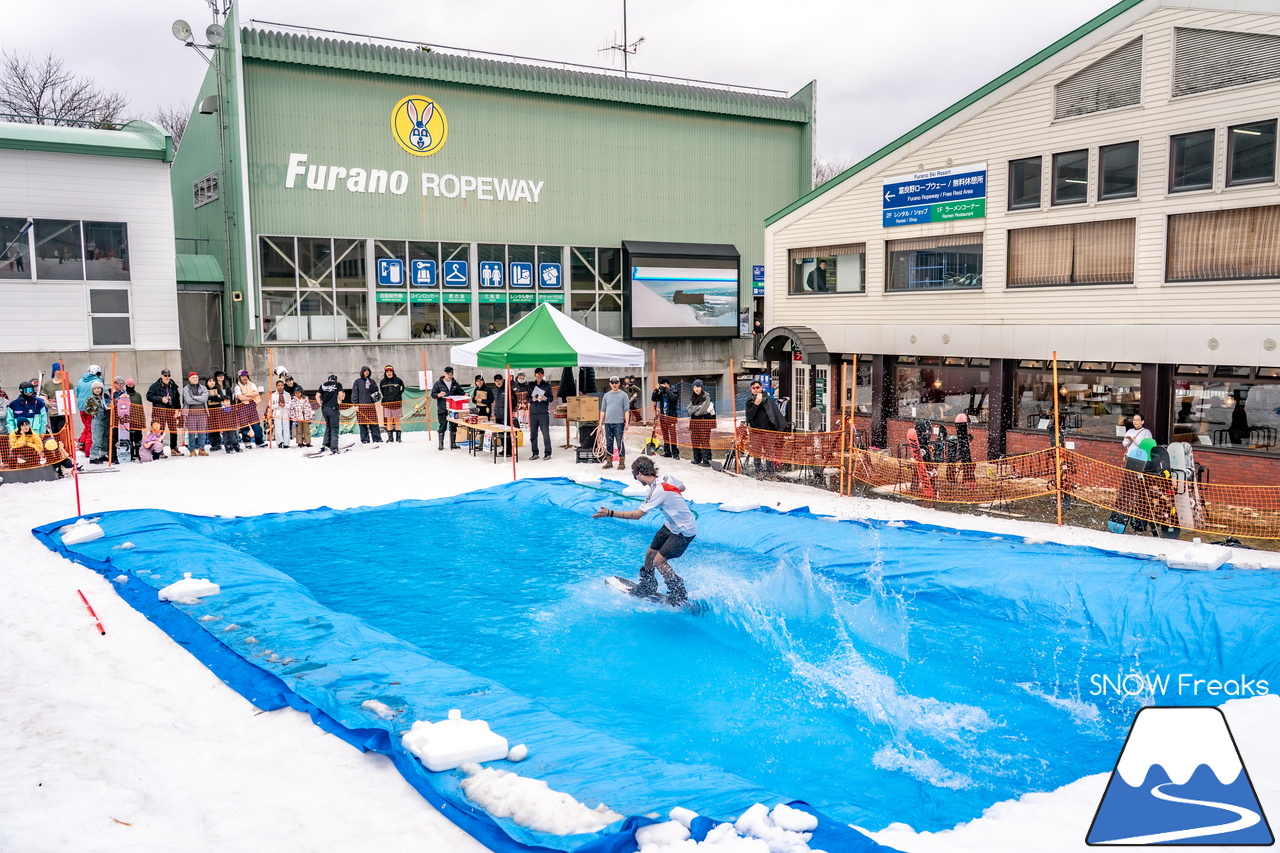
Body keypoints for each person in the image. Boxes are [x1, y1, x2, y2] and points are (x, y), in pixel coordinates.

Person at [592, 456, 694, 605]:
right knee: (650, 554)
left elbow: (637, 515)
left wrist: (610, 513)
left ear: (639, 474)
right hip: (671, 524)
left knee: (659, 561)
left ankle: (679, 592)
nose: (636, 479)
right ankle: (648, 585)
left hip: (684, 529)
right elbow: (682, 488)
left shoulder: (658, 490)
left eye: (635, 476)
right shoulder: (666, 478)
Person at [744, 380, 784, 476]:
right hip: (756, 431)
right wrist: (756, 405)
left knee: (769, 453)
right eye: (754, 388)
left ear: (761, 388)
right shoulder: (749, 401)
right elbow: (749, 417)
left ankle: (771, 473)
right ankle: (758, 471)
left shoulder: (768, 399)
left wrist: (777, 428)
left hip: (768, 431)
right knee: (756, 452)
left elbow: (774, 414)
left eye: (758, 387)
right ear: (751, 389)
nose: (756, 390)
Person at [146, 369, 181, 455]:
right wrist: (161, 399)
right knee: (159, 431)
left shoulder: (173, 386)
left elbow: (177, 399)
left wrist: (177, 410)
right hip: (159, 411)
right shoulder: (155, 386)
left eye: (169, 375)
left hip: (171, 410)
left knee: (173, 430)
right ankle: (159, 450)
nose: (167, 377)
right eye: (165, 375)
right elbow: (149, 396)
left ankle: (173, 448)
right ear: (161, 376)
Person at [599, 375, 629, 469]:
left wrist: (627, 422)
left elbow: (626, 410)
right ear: (610, 384)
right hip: (608, 422)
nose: (614, 384)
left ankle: (622, 462)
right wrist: (600, 423)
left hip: (619, 423)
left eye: (616, 382)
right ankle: (609, 461)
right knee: (609, 442)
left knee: (620, 442)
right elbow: (603, 410)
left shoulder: (624, 395)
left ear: (619, 383)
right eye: (612, 382)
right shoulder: (606, 395)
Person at [432, 366, 463, 451]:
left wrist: (465, 394)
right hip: (442, 408)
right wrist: (438, 395)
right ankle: (441, 444)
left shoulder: (455, 384)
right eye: (448, 374)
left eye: (451, 374)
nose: (450, 376)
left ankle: (453, 443)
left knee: (453, 425)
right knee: (442, 425)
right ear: (444, 374)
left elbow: (461, 392)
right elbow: (433, 394)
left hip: (453, 408)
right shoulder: (438, 384)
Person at [350, 366, 383, 444]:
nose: (367, 372)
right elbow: (355, 393)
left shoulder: (372, 381)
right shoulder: (357, 382)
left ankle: (377, 438)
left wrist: (370, 386)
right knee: (362, 423)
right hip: (361, 406)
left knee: (374, 422)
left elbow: (376, 391)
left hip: (371, 406)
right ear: (362, 372)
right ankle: (365, 439)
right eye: (365, 371)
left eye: (368, 371)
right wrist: (355, 404)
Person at [74, 364, 102, 456]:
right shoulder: (98, 381)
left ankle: (82, 444)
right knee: (91, 429)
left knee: (87, 427)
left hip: (81, 407)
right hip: (92, 408)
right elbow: (102, 394)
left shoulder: (81, 380)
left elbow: (77, 393)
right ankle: (88, 451)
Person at [208, 376, 240, 453]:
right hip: (224, 426)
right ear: (223, 402)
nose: (227, 403)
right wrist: (221, 427)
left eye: (228, 401)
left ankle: (236, 446)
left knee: (233, 437)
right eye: (225, 401)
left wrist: (236, 424)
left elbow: (235, 417)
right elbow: (219, 418)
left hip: (231, 426)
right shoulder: (221, 410)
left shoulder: (232, 409)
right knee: (225, 438)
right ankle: (228, 447)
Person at [687, 379, 716, 466]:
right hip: (694, 423)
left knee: (704, 441)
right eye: (695, 387)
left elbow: (702, 411)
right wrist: (697, 407)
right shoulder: (692, 397)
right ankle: (697, 458)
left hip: (704, 422)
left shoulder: (706, 397)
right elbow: (689, 410)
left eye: (698, 387)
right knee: (695, 440)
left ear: (701, 387)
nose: (696, 389)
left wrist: (694, 410)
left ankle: (706, 460)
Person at [234, 370, 265, 448]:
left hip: (252, 406)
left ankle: (259, 441)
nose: (244, 378)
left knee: (256, 425)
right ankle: (247, 441)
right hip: (242, 407)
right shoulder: (237, 387)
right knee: (244, 426)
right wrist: (251, 396)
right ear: (240, 378)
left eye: (245, 376)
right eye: (242, 376)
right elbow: (240, 397)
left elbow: (256, 393)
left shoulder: (252, 385)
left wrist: (246, 395)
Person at [651, 377, 681, 459]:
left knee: (673, 436)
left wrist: (667, 389)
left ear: (668, 384)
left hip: (671, 417)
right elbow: (654, 398)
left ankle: (675, 453)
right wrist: (656, 390)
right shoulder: (661, 392)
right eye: (662, 384)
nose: (664, 386)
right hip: (663, 417)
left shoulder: (673, 390)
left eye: (665, 384)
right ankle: (667, 451)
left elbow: (674, 398)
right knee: (665, 435)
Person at [528, 367, 553, 460]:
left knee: (545, 433)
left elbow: (551, 398)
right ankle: (535, 452)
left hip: (543, 412)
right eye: (538, 375)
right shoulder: (531, 385)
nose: (539, 376)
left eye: (541, 375)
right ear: (535, 375)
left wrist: (545, 398)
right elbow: (527, 398)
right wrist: (532, 399)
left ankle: (548, 453)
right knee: (533, 434)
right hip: (533, 412)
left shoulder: (547, 385)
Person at [315, 374, 345, 454]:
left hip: (324, 408)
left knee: (328, 426)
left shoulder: (323, 385)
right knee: (334, 427)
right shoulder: (338, 384)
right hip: (333, 408)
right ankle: (334, 447)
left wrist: (320, 403)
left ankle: (325, 444)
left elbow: (317, 396)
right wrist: (340, 400)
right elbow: (341, 395)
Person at [182, 372, 209, 456]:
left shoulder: (203, 388)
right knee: (191, 433)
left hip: (202, 413)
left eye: (196, 377)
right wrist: (199, 399)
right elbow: (188, 400)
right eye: (193, 377)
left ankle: (201, 449)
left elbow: (205, 398)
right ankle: (192, 450)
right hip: (190, 414)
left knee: (202, 432)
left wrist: (194, 397)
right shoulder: (185, 389)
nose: (195, 379)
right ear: (189, 379)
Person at [379, 365, 405, 443]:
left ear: (393, 372)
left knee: (397, 420)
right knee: (389, 420)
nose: (389, 373)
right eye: (387, 372)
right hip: (387, 403)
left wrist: (397, 397)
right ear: (385, 373)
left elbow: (402, 389)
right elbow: (382, 392)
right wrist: (387, 398)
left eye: (390, 372)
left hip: (396, 403)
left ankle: (398, 438)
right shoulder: (382, 382)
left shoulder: (398, 380)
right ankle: (390, 438)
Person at [86, 380, 110, 463]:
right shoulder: (91, 399)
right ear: (92, 390)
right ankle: (93, 457)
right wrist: (94, 412)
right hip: (97, 421)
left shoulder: (105, 397)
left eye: (99, 388)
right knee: (97, 439)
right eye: (95, 388)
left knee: (104, 439)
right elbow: (87, 409)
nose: (97, 390)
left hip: (105, 420)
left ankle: (103, 455)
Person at [490, 373, 513, 457]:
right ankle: (504, 448)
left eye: (499, 380)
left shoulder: (507, 389)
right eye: (496, 381)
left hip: (506, 415)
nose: (498, 382)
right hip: (498, 415)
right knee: (500, 433)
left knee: (507, 433)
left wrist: (509, 410)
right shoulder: (495, 390)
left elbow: (513, 401)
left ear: (503, 380)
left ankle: (509, 449)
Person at [124, 379, 145, 458]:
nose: (130, 387)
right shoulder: (124, 395)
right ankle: (130, 452)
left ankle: (139, 452)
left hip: (137, 420)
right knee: (128, 438)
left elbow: (141, 408)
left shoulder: (138, 395)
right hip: (127, 421)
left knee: (138, 437)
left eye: (132, 385)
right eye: (129, 385)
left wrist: (142, 421)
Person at [269, 379, 291, 448]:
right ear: (276, 386)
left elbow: (290, 404)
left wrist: (285, 405)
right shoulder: (273, 395)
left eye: (281, 385)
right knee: (278, 426)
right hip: (277, 411)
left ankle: (286, 443)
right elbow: (270, 405)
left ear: (283, 386)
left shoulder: (287, 394)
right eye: (279, 385)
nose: (280, 387)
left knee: (286, 426)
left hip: (285, 411)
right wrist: (278, 405)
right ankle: (279, 442)